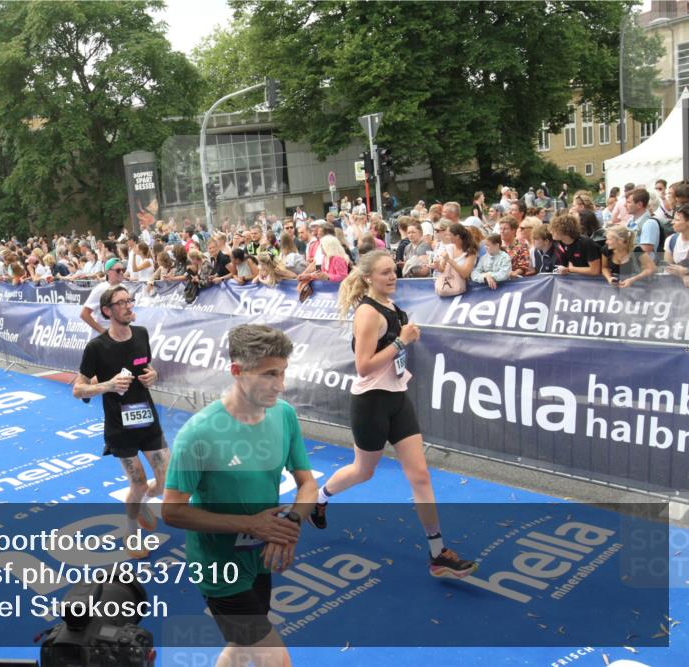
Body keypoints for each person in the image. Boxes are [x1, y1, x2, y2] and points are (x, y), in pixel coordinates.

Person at [310, 251, 477, 579]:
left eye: (394, 271)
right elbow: (363, 365)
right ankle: (319, 497)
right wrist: (402, 342)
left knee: (420, 475)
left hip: (397, 399)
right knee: (363, 471)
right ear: (369, 278)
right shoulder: (368, 313)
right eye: (385, 273)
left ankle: (437, 552)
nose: (392, 277)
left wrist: (404, 339)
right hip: (370, 402)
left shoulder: (394, 308)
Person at [162, 324, 315, 666]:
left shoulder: (284, 415)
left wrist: (289, 523)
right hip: (218, 569)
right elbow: (171, 512)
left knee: (242, 644)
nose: (281, 384)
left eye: (283, 372)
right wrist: (252, 525)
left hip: (260, 559)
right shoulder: (199, 433)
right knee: (276, 660)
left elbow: (308, 484)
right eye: (269, 375)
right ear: (237, 371)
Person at [74, 285, 168, 558]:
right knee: (137, 483)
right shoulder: (97, 347)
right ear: (107, 311)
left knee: (163, 481)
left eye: (130, 300)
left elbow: (147, 367)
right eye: (121, 302)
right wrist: (108, 385)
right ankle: (130, 532)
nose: (129, 306)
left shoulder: (141, 334)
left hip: (148, 420)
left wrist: (154, 375)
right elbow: (78, 389)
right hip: (120, 427)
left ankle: (140, 504)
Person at [664, 204, 689, 288]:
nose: (672, 222)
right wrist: (683, 275)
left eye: (677, 220)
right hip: (678, 291)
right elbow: (668, 268)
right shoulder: (671, 240)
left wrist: (685, 271)